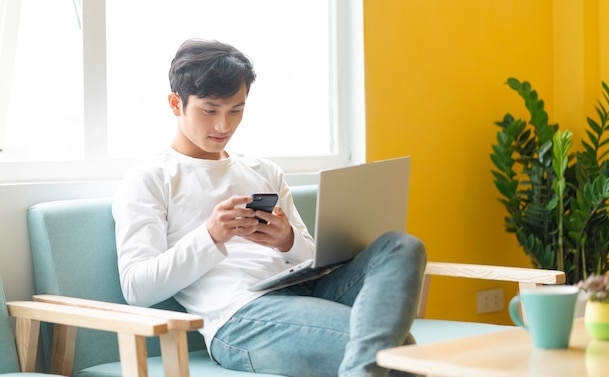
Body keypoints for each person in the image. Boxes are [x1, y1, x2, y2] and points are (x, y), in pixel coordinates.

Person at [112, 38, 426, 377]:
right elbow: (136, 288)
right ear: (176, 104)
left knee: (402, 245)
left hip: (308, 291)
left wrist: (287, 240)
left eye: (236, 109)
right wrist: (210, 235)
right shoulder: (149, 178)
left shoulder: (263, 170)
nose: (223, 126)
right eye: (209, 110)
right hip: (240, 316)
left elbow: (312, 261)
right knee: (400, 355)